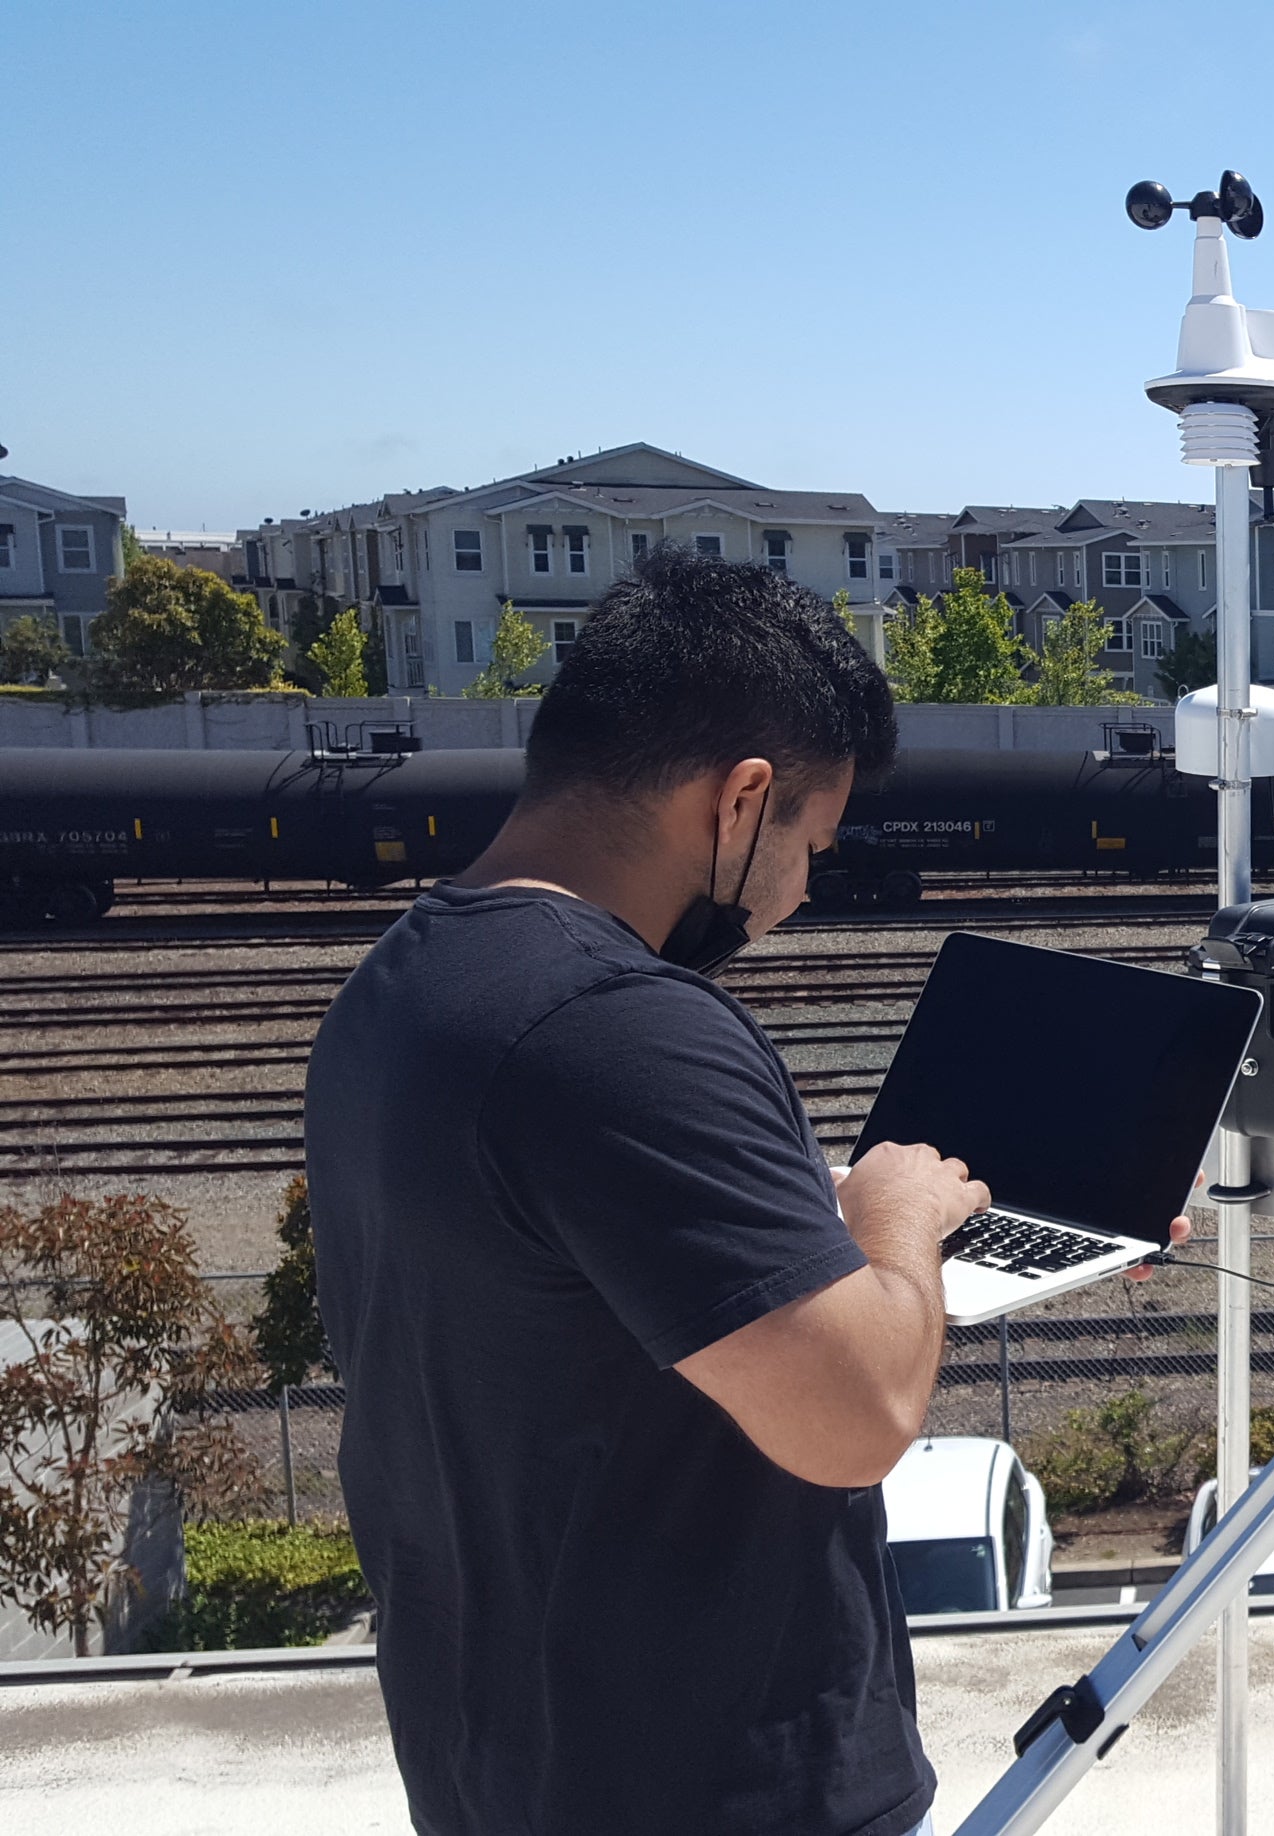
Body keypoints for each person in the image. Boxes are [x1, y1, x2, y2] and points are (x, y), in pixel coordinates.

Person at [308, 552, 976, 1834]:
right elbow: (858, 1417)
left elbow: (578, 1293)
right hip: (711, 1784)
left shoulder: (406, 983)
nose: (801, 891)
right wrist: (898, 1221)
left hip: (506, 1754)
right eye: (811, 846)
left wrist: (803, 1238)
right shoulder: (621, 1029)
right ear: (743, 798)